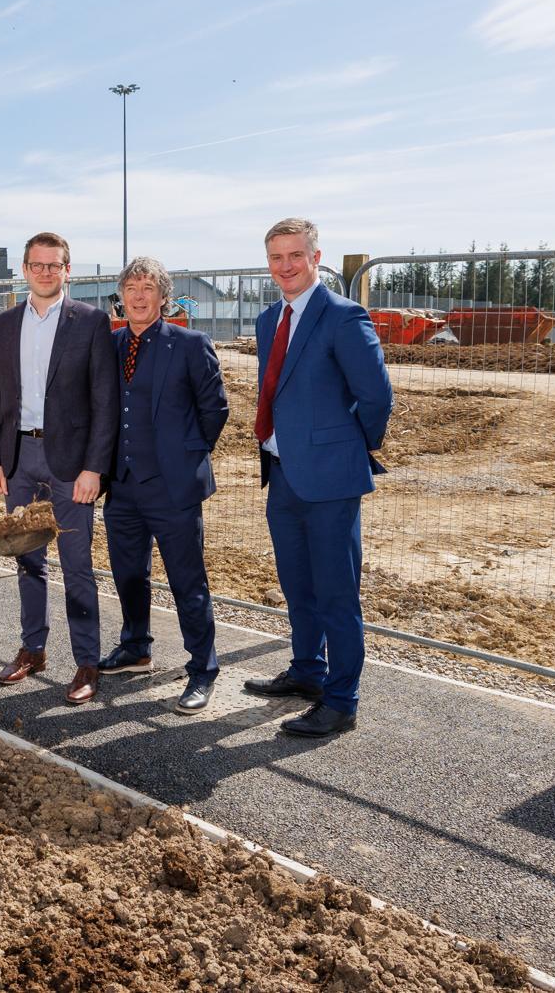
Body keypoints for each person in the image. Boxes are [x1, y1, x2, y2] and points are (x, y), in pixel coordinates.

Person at [243, 219, 393, 738]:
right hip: (282, 474)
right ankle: (308, 672)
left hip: (330, 480)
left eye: (295, 256)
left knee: (336, 592)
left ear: (315, 256)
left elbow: (376, 397)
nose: (285, 266)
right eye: (276, 257)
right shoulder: (269, 319)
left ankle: (341, 699)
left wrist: (349, 447)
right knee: (297, 583)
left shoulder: (344, 317)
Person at [0, 232, 119, 704]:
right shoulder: (1, 325)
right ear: (24, 269)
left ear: (67, 269)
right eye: (36, 265)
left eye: (53, 265)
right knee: (26, 560)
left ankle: (86, 662)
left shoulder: (93, 322)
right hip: (19, 461)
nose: (45, 272)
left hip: (71, 465)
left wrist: (94, 468)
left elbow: (105, 401)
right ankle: (32, 649)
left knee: (77, 566)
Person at [99, 257, 230, 714]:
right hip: (123, 486)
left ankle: (203, 669)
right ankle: (135, 647)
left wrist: (185, 455)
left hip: (174, 489)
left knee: (187, 581)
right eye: (131, 286)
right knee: (128, 575)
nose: (138, 295)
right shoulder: (110, 345)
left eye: (148, 287)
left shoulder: (191, 344)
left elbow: (215, 410)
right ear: (122, 295)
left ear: (162, 296)